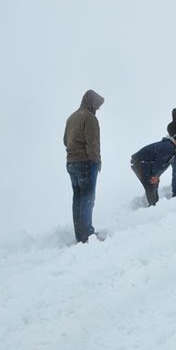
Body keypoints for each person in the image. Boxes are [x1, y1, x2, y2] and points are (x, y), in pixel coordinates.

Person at [64, 89, 104, 243]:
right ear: (92, 102)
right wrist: (96, 161)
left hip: (71, 163)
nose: (98, 109)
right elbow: (92, 144)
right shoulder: (90, 118)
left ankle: (79, 234)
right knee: (88, 198)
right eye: (98, 105)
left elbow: (65, 141)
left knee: (78, 198)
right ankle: (87, 234)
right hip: (86, 163)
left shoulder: (71, 117)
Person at [131, 129, 176, 207]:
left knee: (154, 183)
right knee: (150, 184)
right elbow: (159, 162)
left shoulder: (172, 147)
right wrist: (155, 175)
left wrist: (156, 175)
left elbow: (163, 164)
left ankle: (155, 204)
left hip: (146, 163)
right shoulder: (168, 147)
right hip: (139, 163)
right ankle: (153, 206)